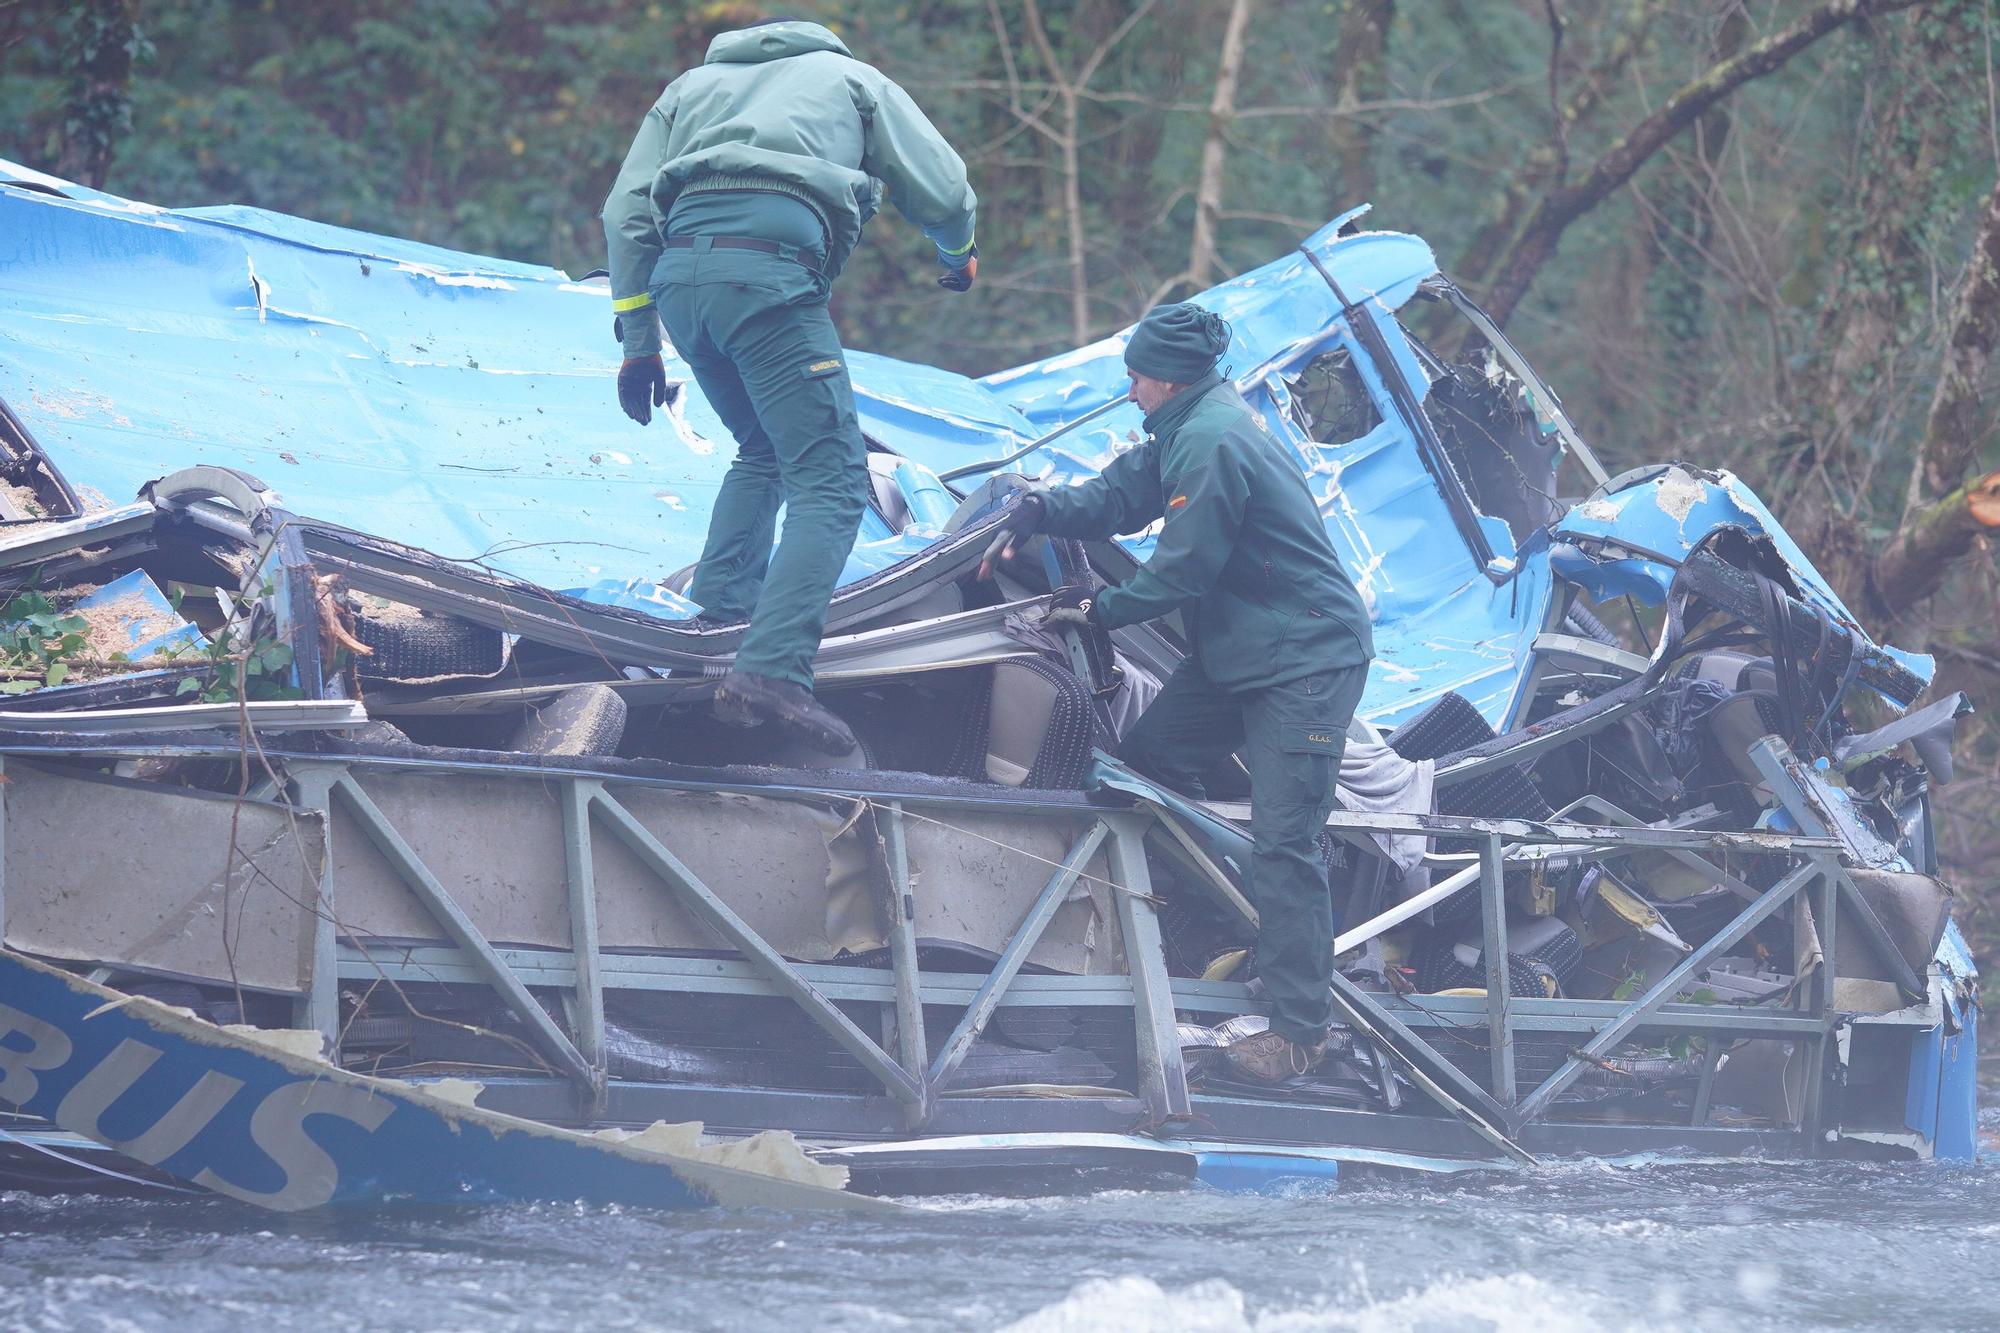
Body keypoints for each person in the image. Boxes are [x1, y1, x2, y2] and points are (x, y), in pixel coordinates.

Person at [983, 303, 1375, 1083]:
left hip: (1305, 657)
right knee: (1148, 764)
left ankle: (1301, 1030)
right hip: (1240, 648)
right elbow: (1116, 498)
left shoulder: (1212, 439)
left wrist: (1098, 608)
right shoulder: (1185, 427)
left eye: (1133, 377)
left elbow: (1183, 569)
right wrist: (1037, 509)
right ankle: (1222, 916)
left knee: (1286, 837)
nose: (1128, 392)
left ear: (1165, 377)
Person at [602, 17, 977, 752]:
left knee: (764, 449)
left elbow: (624, 212)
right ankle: (772, 670)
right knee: (834, 478)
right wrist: (958, 252)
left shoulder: (690, 88)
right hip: (766, 274)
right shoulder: (853, 81)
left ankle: (716, 620)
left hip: (682, 286)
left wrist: (640, 344)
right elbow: (944, 186)